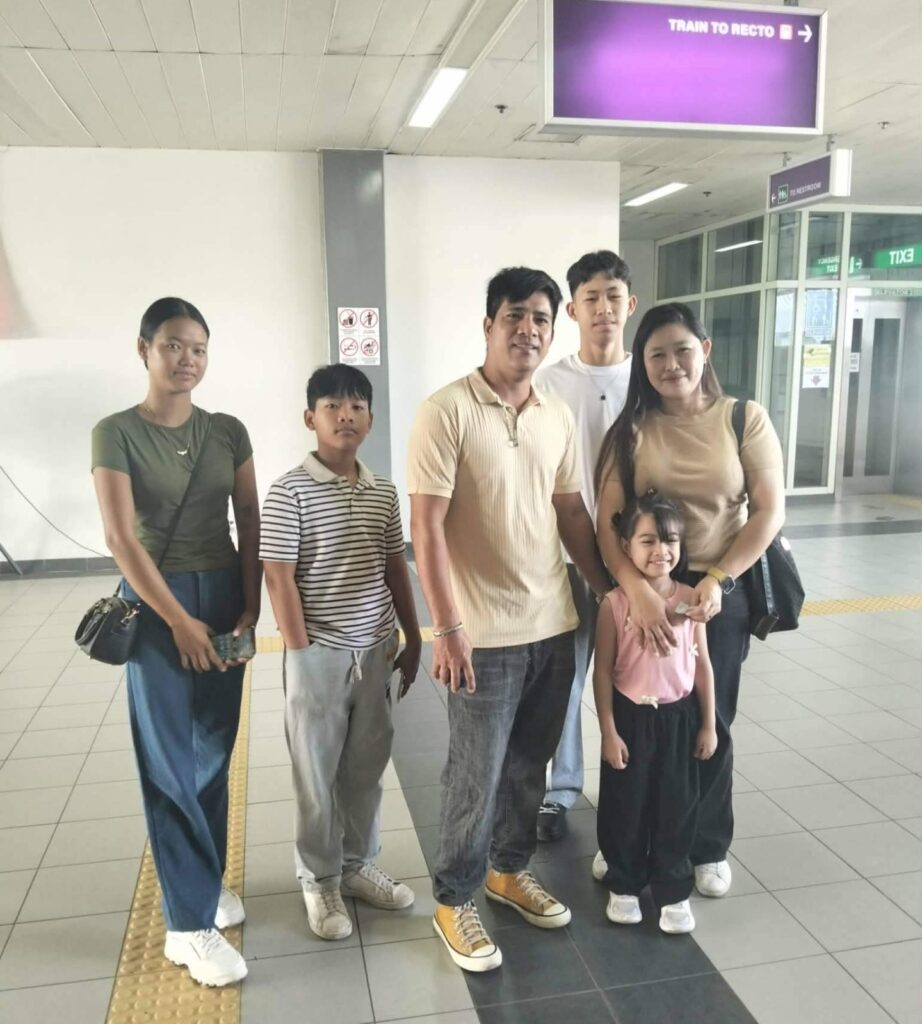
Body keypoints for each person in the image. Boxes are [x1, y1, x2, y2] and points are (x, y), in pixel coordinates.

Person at [408, 266, 611, 973]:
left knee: (529, 765)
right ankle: (454, 898)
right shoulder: (445, 411)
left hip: (553, 623)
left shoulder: (554, 414)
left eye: (541, 319)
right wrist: (448, 627)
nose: (528, 330)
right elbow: (426, 530)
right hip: (482, 635)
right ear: (489, 325)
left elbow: (570, 511)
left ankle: (507, 870)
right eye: (515, 316)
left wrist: (606, 588)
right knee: (476, 772)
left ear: (553, 329)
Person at [92, 298, 261, 988]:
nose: (186, 359)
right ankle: (186, 928)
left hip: (222, 594)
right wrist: (178, 622)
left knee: (213, 752)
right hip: (156, 602)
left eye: (198, 348)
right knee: (168, 761)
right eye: (172, 345)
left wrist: (250, 603)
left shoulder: (228, 431)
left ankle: (203, 879)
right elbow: (119, 538)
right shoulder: (116, 433)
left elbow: (248, 516)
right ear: (144, 350)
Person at [594, 302, 785, 898]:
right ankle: (629, 841)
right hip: (644, 589)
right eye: (656, 354)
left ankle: (705, 845)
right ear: (642, 363)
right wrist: (636, 593)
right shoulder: (631, 430)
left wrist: (719, 579)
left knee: (707, 718)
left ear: (705, 350)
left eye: (682, 349)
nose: (671, 364)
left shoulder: (743, 419)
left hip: (716, 593)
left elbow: (768, 511)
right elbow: (606, 523)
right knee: (638, 716)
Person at [260, 364, 422, 941]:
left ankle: (356, 865)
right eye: (332, 406)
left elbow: (395, 565)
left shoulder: (383, 491)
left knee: (365, 770)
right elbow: (278, 577)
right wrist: (301, 653)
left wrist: (413, 635)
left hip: (376, 652)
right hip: (319, 656)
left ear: (370, 420)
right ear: (311, 418)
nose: (345, 415)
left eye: (356, 406)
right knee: (316, 774)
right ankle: (319, 878)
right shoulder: (288, 491)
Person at [533, 249, 636, 842]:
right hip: (568, 562)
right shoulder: (549, 383)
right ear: (572, 310)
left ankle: (630, 782)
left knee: (635, 679)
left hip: (636, 563)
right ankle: (561, 790)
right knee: (566, 681)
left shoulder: (646, 380)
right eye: (591, 298)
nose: (603, 309)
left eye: (613, 297)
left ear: (630, 304)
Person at [594, 490, 716, 934]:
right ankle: (624, 881)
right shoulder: (614, 604)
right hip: (631, 719)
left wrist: (707, 724)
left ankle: (673, 889)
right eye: (647, 540)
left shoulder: (692, 599)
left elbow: (702, 666)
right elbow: (602, 672)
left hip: (679, 719)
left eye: (670, 540)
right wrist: (609, 731)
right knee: (626, 804)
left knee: (676, 806)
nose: (660, 550)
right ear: (626, 547)